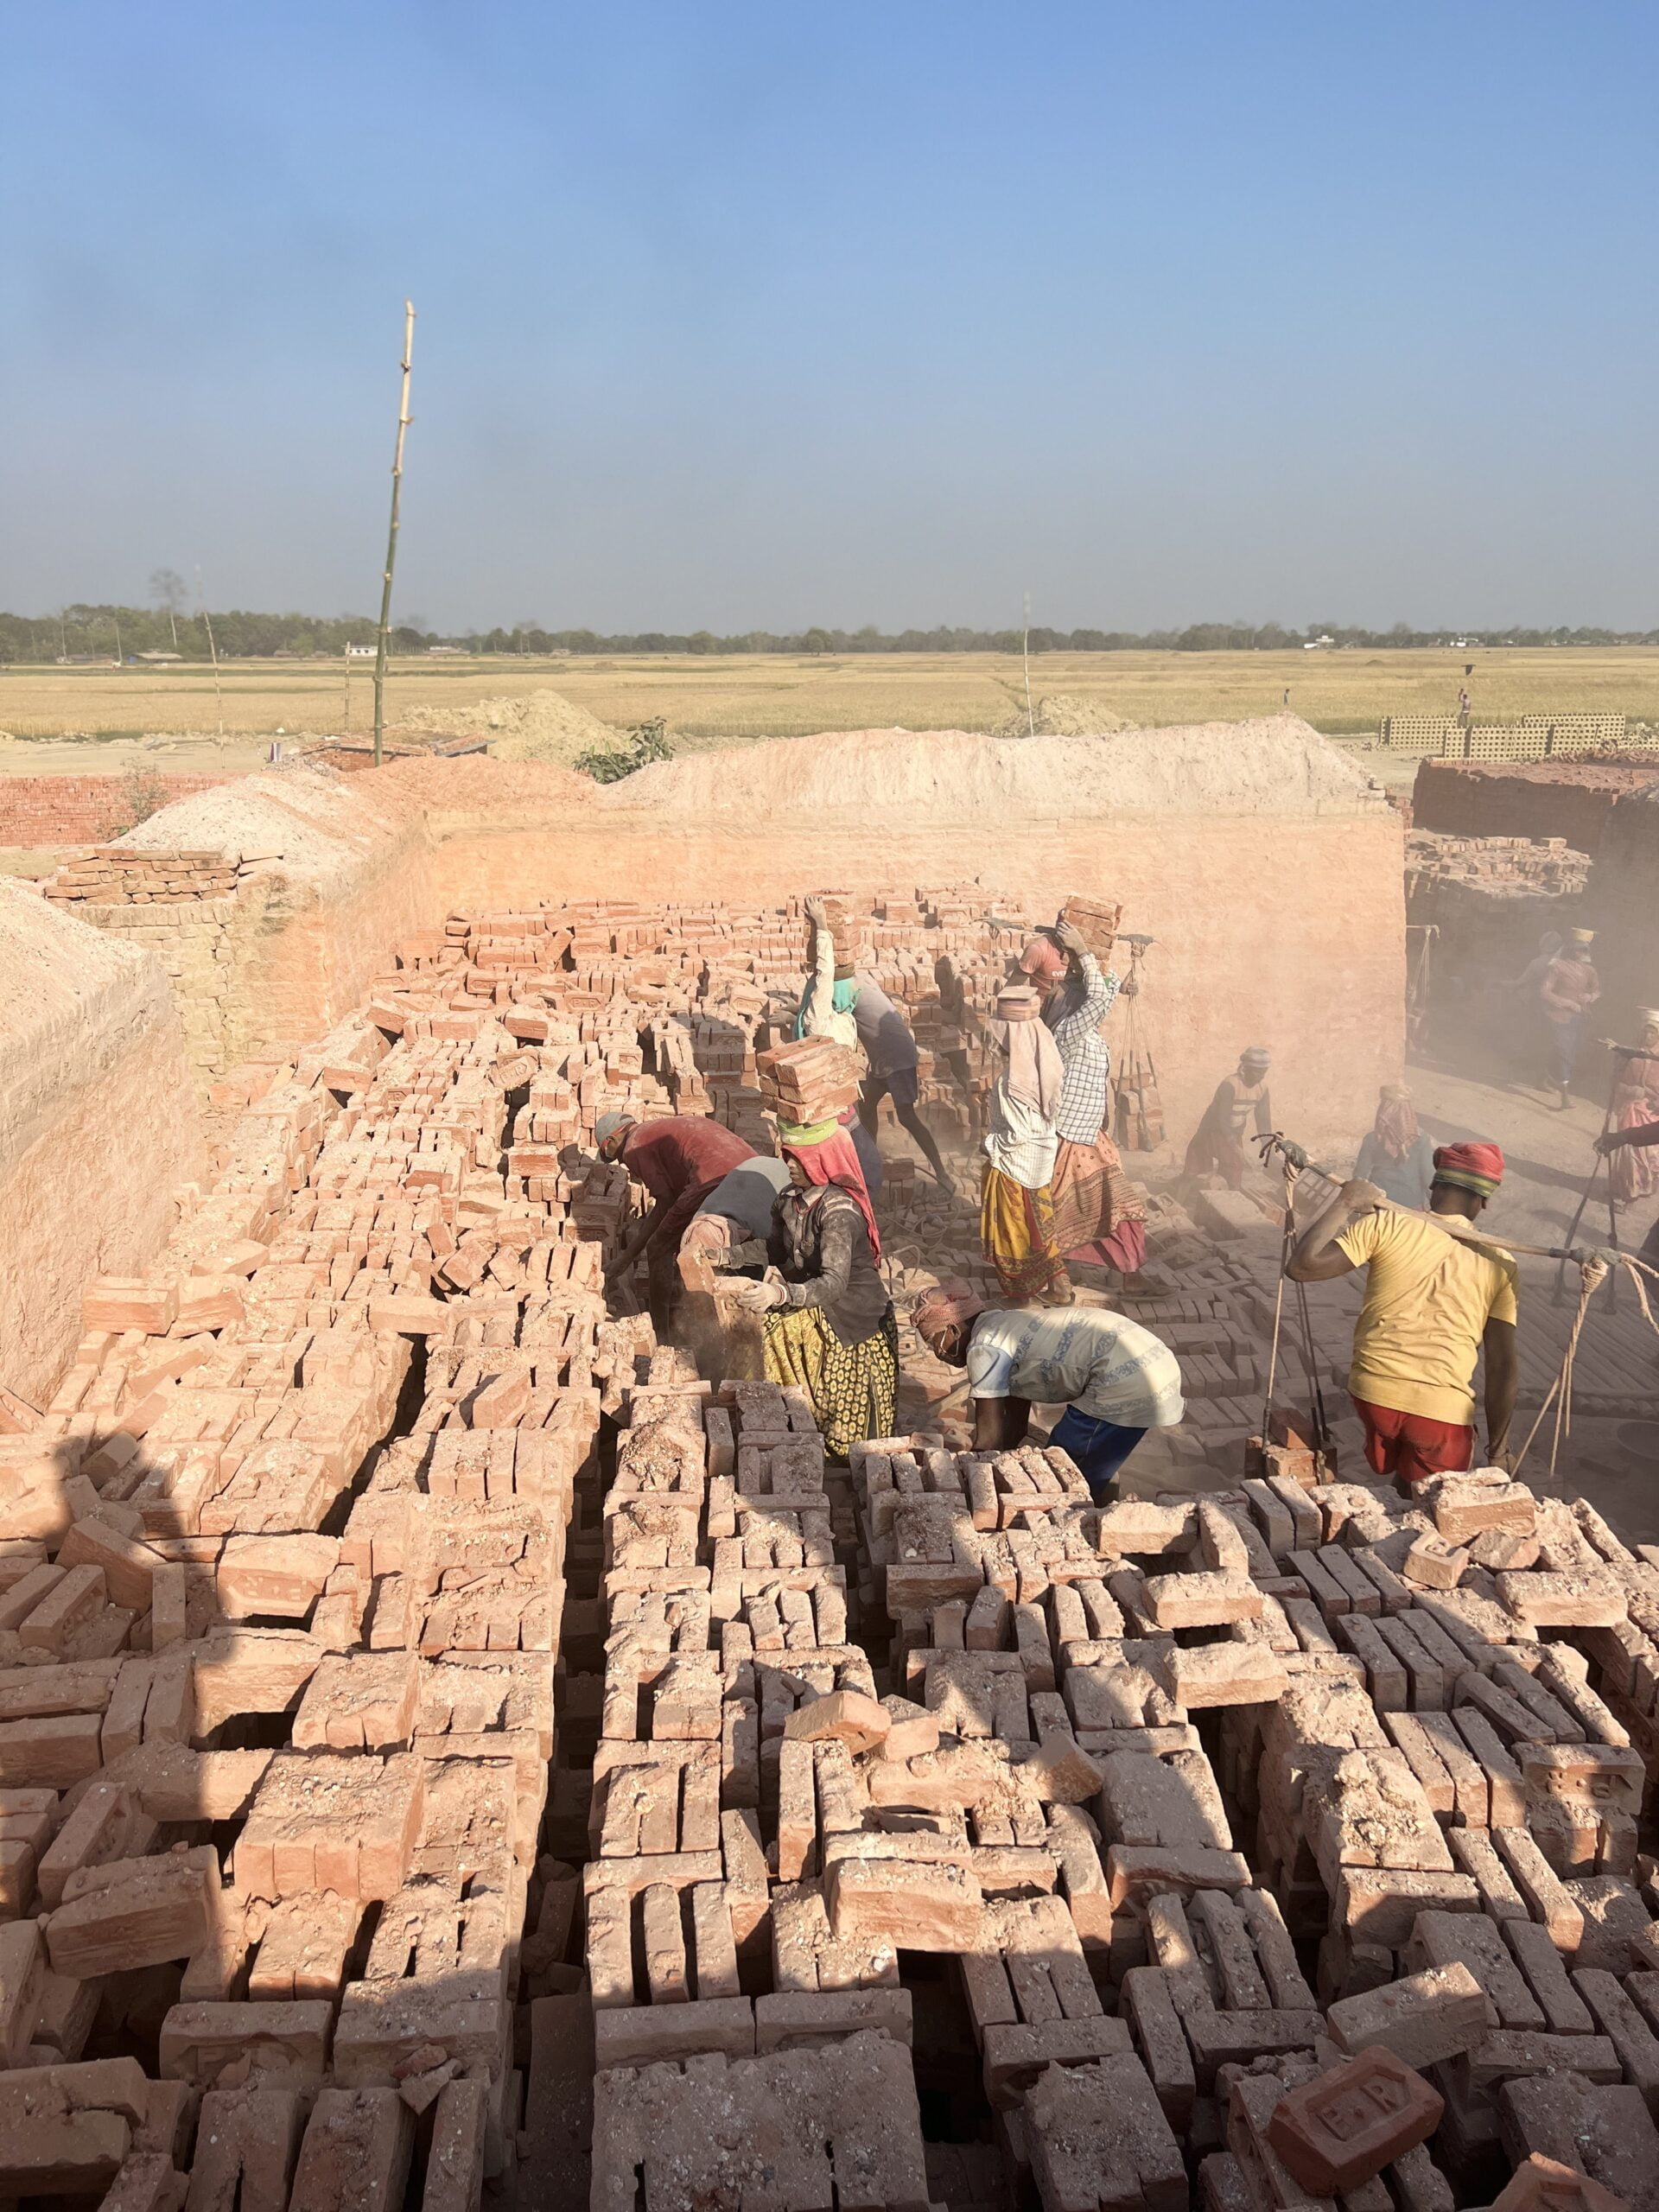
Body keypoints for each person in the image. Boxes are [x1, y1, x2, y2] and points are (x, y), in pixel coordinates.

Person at [1286, 1141, 1518, 1489]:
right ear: (1483, 1201)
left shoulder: (1388, 1224)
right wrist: (1499, 1451)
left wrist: (1345, 1203)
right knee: (1435, 1505)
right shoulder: (1501, 1262)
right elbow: (1502, 1366)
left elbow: (1302, 1267)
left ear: (1433, 1186)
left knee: (1407, 1482)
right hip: (1441, 1415)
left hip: (1372, 1395)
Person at [912, 1280, 1185, 1501]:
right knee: (1086, 1464)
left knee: (1061, 1475)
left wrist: (967, 1492)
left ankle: (1089, 1533)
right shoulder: (1006, 1324)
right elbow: (1014, 1428)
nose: (939, 1354)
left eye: (935, 1341)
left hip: (1125, 1379)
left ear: (954, 1330)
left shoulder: (984, 1348)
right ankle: (1104, 1511)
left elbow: (989, 1441)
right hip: (1153, 1363)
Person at [723, 1119, 896, 1459]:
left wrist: (781, 1294)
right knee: (760, 1327)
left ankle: (831, 1455)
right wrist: (728, 1256)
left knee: (847, 1430)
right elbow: (774, 1249)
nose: (789, 1164)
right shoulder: (789, 1199)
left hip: (852, 1319)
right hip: (813, 1300)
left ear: (819, 1159)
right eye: (787, 1155)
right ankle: (789, 1430)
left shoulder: (838, 1212)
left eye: (797, 1158)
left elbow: (833, 1282)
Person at [1021, 921, 1145, 1274]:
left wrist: (1101, 957)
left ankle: (1126, 1274)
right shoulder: (1067, 1032)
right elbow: (1098, 998)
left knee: (1109, 1206)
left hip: (1089, 1135)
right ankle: (1048, 1273)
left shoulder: (1086, 1030)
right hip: (1071, 1137)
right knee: (1091, 1206)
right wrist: (1085, 950)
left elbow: (1101, 993)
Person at [596, 1110, 756, 1327]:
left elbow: (665, 1200)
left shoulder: (633, 1146)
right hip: (753, 1168)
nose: (624, 1164)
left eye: (614, 1156)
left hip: (711, 1174)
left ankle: (661, 1329)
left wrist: (627, 1257)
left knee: (658, 1247)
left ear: (613, 1139)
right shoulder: (656, 1128)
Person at [979, 984, 1069, 1303]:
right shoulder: (1043, 1066)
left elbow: (1015, 1135)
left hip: (1014, 1166)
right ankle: (1060, 1286)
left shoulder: (1011, 1082)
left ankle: (1020, 1295)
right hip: (1040, 1161)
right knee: (1041, 1223)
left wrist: (988, 1145)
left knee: (1013, 1232)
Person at [794, 893, 883, 1196]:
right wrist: (821, 926)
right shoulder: (820, 1019)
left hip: (844, 1104)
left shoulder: (838, 1014)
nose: (856, 990)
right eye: (851, 987)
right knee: (857, 1169)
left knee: (864, 1166)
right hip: (830, 1111)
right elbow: (824, 973)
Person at [853, 973, 955, 1195]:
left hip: (897, 1057)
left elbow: (822, 1014)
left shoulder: (844, 991)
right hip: (884, 1056)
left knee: (906, 1117)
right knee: (867, 1106)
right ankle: (873, 1161)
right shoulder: (864, 979)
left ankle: (942, 1174)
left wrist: (793, 1012)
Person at [677, 1155, 793, 1270]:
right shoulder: (700, 1219)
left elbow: (777, 1253)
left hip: (780, 1175)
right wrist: (725, 1256)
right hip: (752, 1168)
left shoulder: (765, 1227)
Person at [1184, 1049, 1273, 1189]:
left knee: (1233, 1172)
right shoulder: (1230, 1085)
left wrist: (1267, 1145)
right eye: (1257, 1071)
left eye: (1264, 1072)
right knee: (1196, 1172)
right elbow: (1222, 1120)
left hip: (1233, 1132)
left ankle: (1227, 1203)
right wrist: (1236, 1148)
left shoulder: (1262, 1088)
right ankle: (1185, 1202)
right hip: (1211, 1131)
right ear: (1245, 1068)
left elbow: (1263, 1120)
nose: (1261, 1076)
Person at [1604, 1010, 1659, 1209]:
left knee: (1644, 1154)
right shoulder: (1629, 1054)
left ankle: (1636, 1190)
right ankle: (1627, 1189)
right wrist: (1630, 1090)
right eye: (1646, 1032)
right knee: (1628, 1152)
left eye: (1653, 1033)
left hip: (1651, 1112)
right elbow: (1615, 1081)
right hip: (1629, 1108)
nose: (1648, 1037)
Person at [1541, 928, 1601, 1109]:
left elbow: (1597, 991)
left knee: (1568, 1053)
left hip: (1580, 1018)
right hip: (1558, 1016)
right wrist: (1568, 1003)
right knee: (1564, 1051)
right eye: (1578, 949)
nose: (1581, 953)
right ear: (1570, 949)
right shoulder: (1557, 967)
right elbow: (1544, 992)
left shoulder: (1590, 971)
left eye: (1584, 949)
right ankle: (1565, 1098)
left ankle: (1544, 1077)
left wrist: (1590, 997)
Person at [1353, 1084, 1435, 1211]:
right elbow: (1427, 1174)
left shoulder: (1373, 1138)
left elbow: (1360, 1174)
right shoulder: (1421, 1138)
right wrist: (1434, 1203)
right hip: (1412, 1202)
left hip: (1379, 1201)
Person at [1510, 930, 1563, 1087]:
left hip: (1536, 1008)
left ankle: (1518, 1075)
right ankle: (1541, 1079)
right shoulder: (1562, 965)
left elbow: (1521, 982)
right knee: (1546, 1044)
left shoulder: (1537, 963)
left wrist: (1506, 984)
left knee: (1529, 1040)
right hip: (1555, 1010)